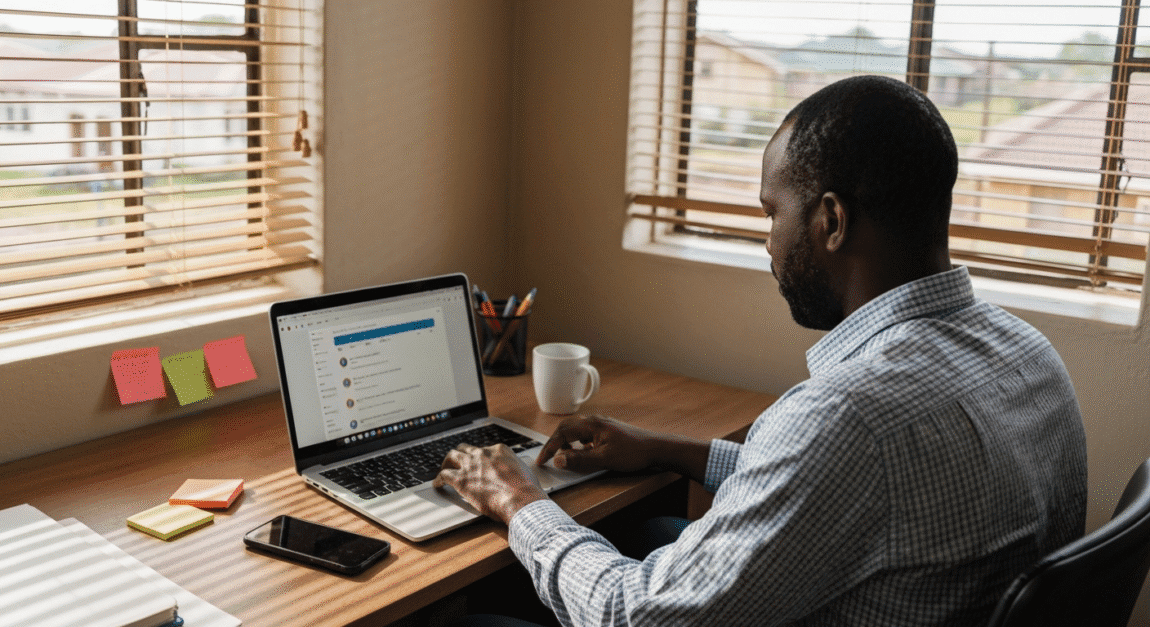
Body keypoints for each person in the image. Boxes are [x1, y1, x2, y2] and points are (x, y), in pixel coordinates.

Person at [434, 75, 1088, 627]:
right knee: (638, 531)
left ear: (831, 221)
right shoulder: (1025, 351)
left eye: (773, 212)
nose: (768, 242)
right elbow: (832, 488)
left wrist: (519, 499)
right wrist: (669, 448)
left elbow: (635, 614)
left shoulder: (848, 417)